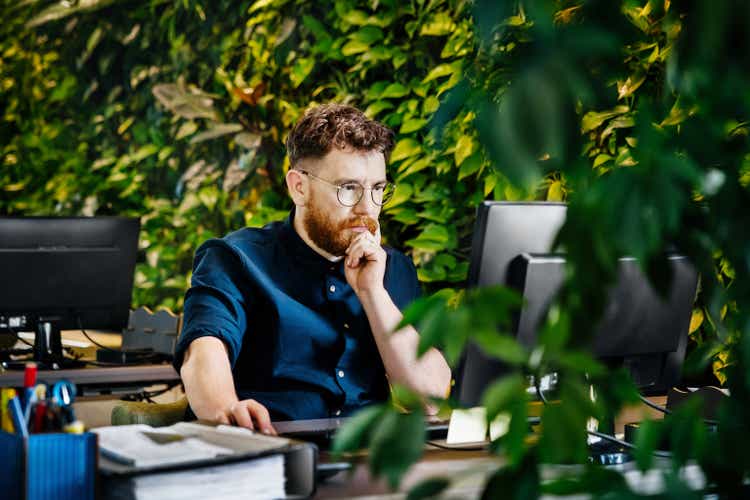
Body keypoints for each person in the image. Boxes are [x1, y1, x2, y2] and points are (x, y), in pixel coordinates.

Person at [174, 103, 451, 435]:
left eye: (377, 189)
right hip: (269, 453)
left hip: (366, 462)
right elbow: (203, 352)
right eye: (348, 188)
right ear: (298, 187)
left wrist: (373, 293)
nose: (367, 208)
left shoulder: (394, 270)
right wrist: (225, 408)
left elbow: (431, 400)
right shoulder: (235, 258)